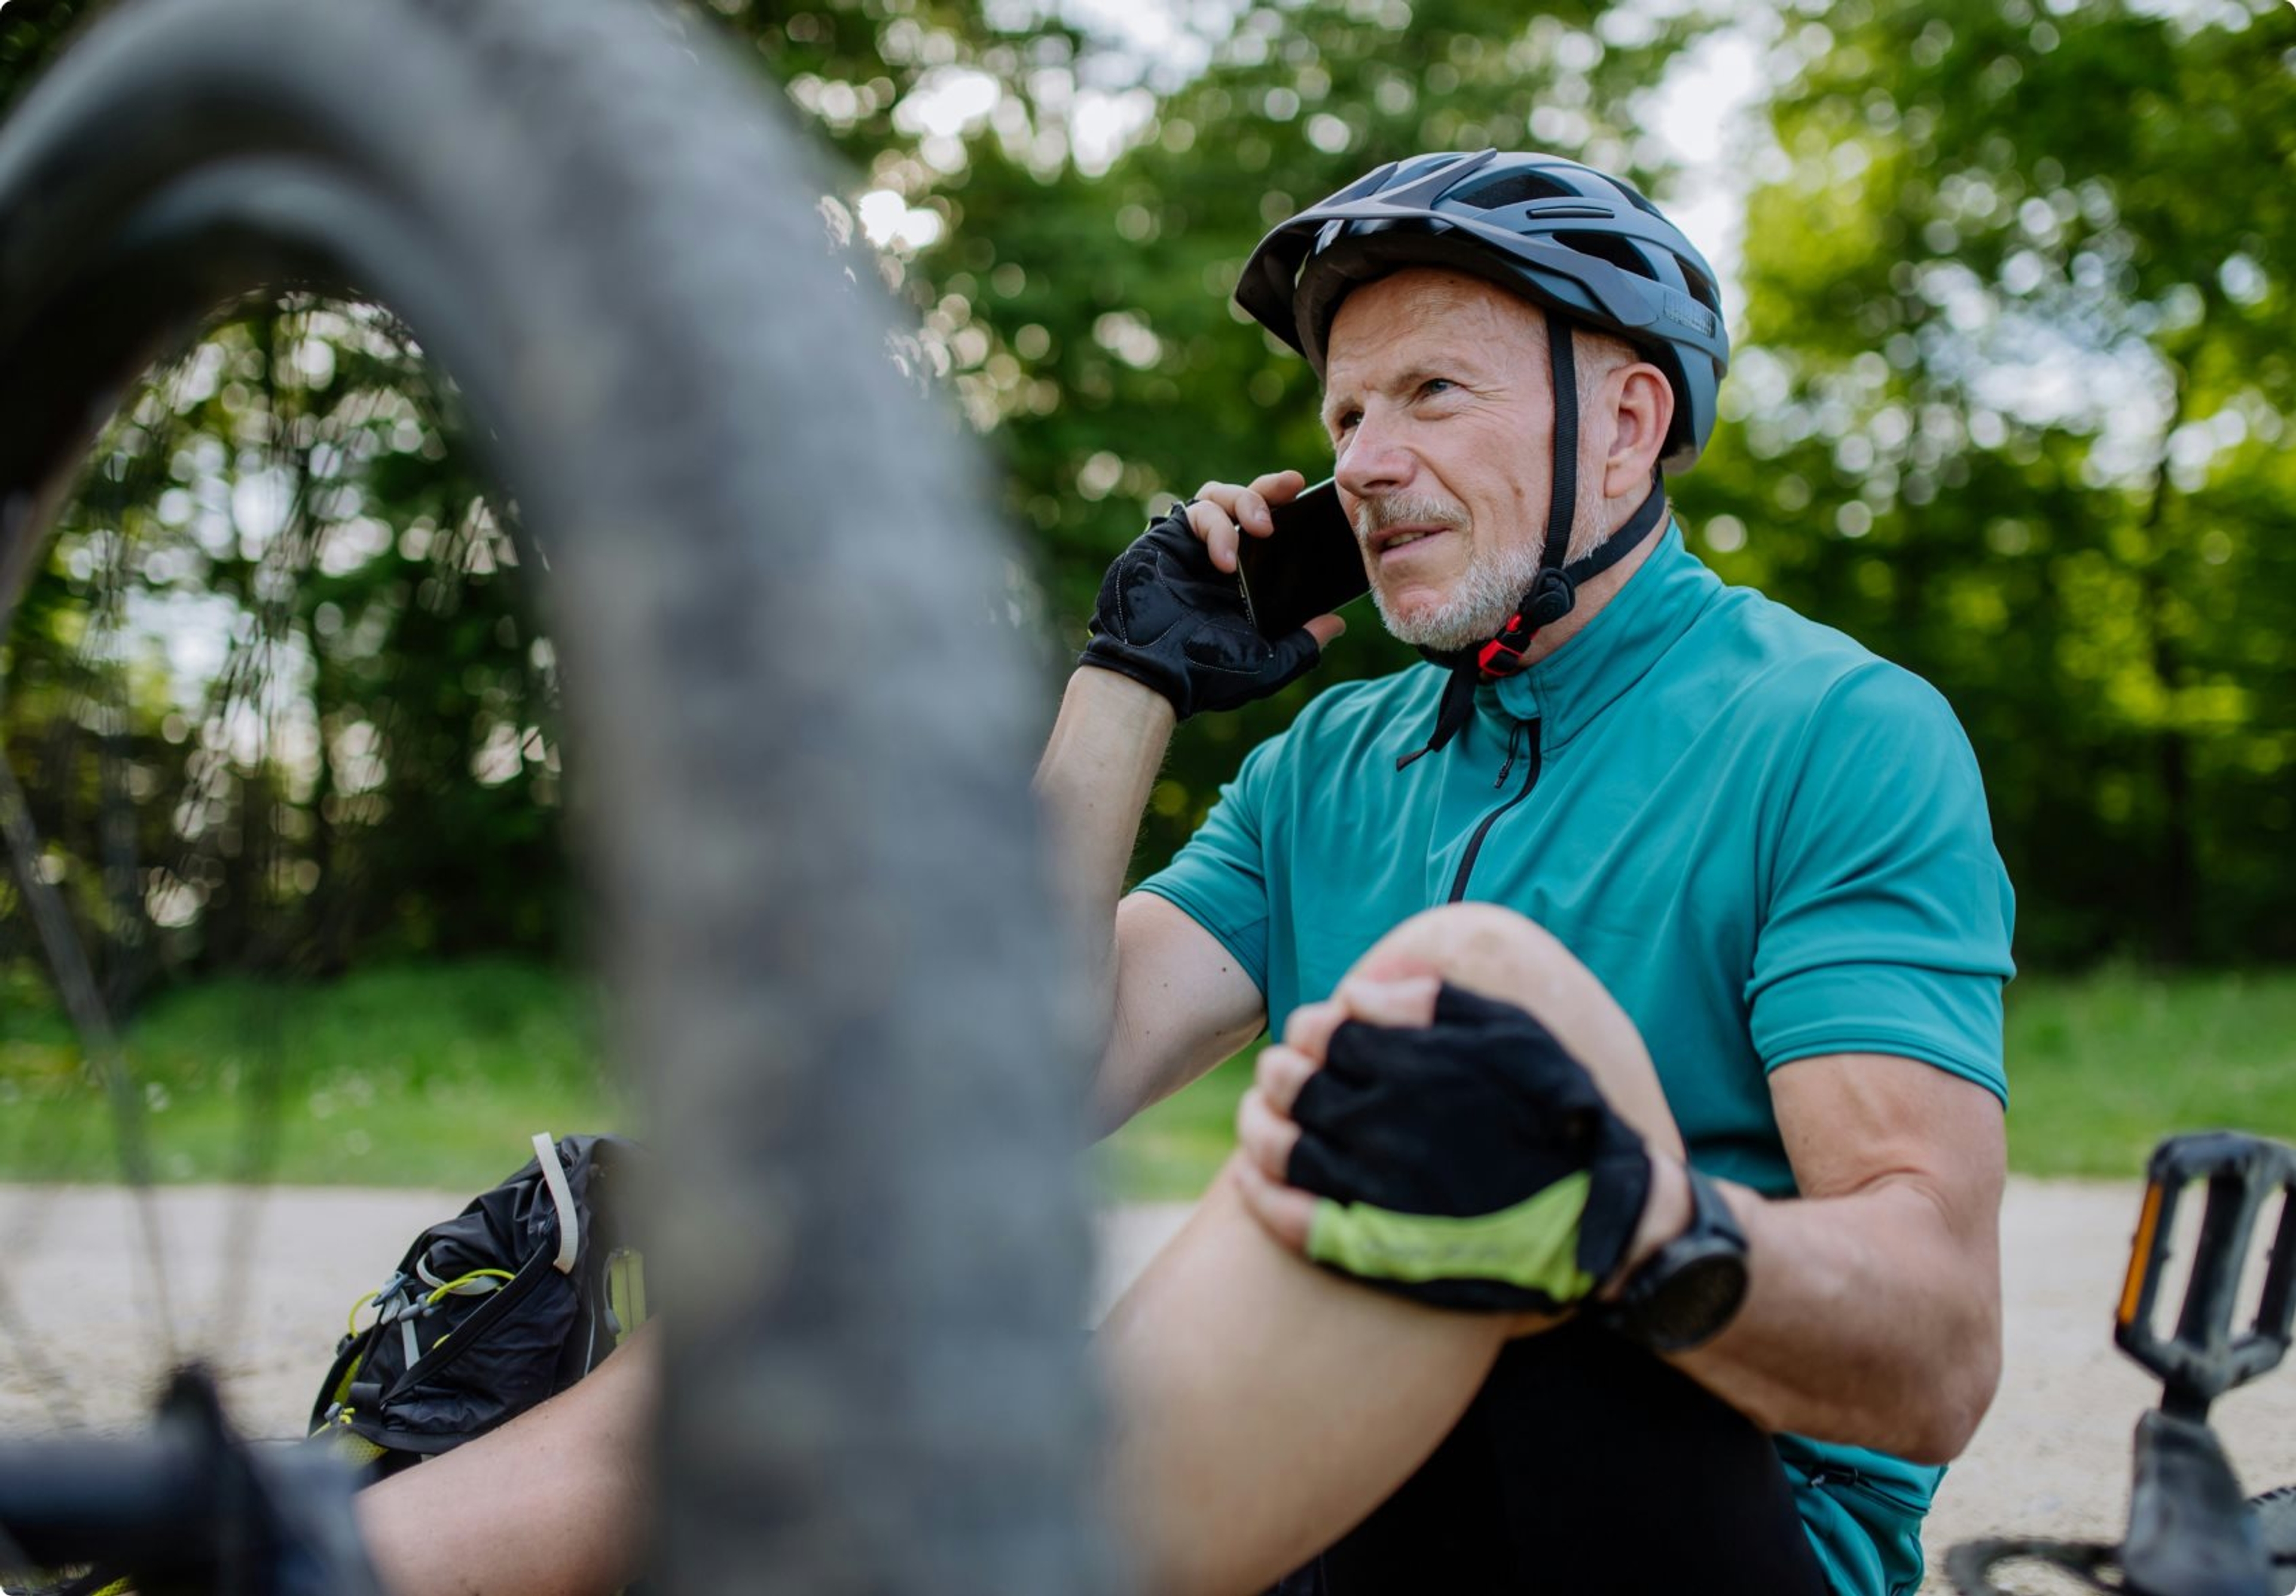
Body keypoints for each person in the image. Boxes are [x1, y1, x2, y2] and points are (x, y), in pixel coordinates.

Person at [353, 147, 2014, 1596]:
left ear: (1628, 424)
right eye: (1346, 414)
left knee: (1473, 1003)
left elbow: (1933, 1352)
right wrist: (1128, 678)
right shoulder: (1330, 772)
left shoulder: (1836, 732)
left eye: (1432, 393)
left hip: (1703, 1523)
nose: (1362, 462)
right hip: (1351, 1521)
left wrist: (1625, 1223)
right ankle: (266, 1571)